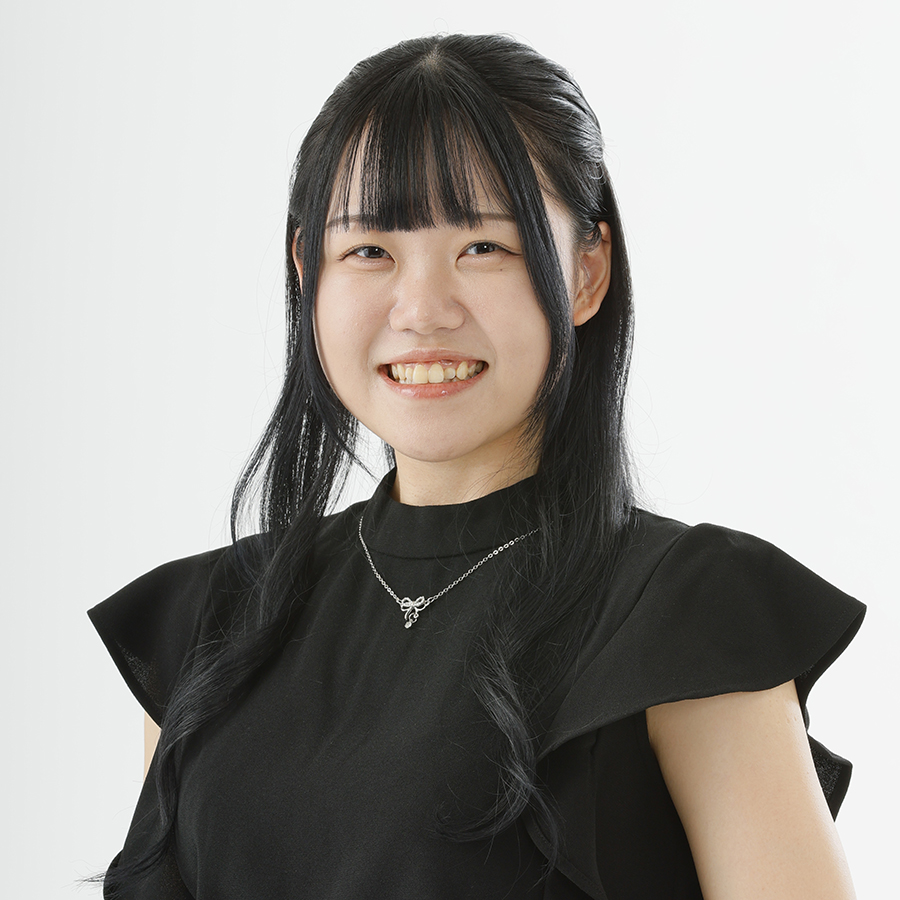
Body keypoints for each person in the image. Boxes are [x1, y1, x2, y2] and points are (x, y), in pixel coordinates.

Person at [89, 33, 864, 900]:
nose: (422, 311)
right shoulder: (212, 620)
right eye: (370, 250)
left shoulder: (684, 616)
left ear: (586, 272)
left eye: (483, 248)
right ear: (307, 271)